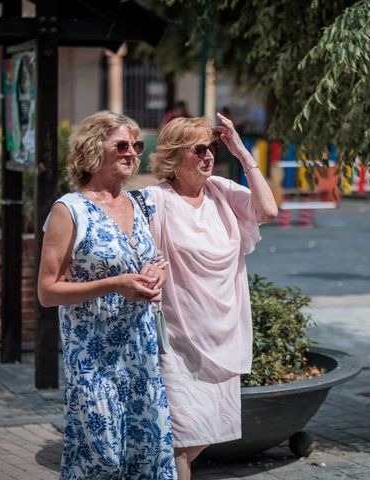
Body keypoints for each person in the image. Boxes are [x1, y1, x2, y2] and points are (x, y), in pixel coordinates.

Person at [37, 111, 177, 479]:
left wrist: (155, 274)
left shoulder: (140, 204)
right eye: (122, 145)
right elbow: (48, 291)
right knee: (102, 459)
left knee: (148, 454)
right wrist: (115, 285)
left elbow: (154, 259)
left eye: (137, 145)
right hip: (93, 360)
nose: (133, 153)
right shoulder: (70, 210)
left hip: (141, 356)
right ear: (92, 150)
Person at [143, 112, 278, 479]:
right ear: (172, 156)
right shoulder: (156, 201)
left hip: (224, 337)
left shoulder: (220, 190)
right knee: (177, 443)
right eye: (198, 149)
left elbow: (268, 210)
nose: (208, 156)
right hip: (177, 342)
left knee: (198, 437)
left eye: (211, 148)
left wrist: (241, 152)